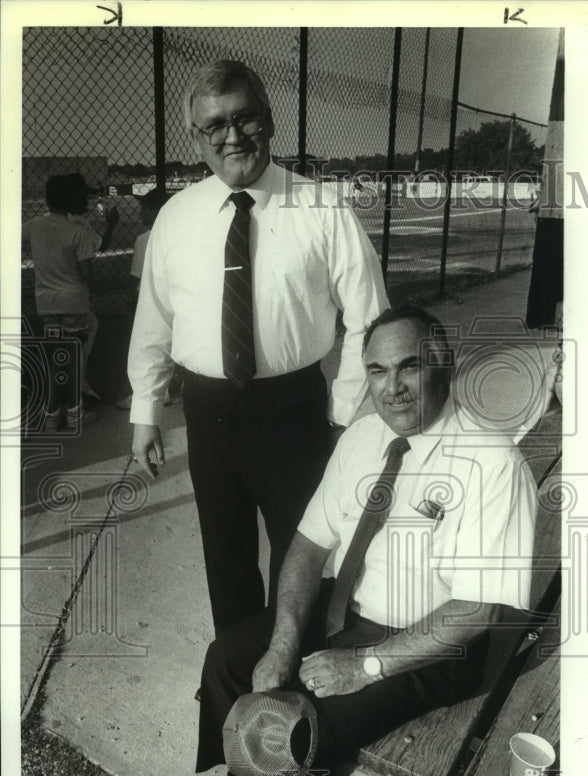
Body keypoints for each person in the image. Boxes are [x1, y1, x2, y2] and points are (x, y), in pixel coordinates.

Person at [169, 304, 539, 776]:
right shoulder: (364, 438)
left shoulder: (492, 463)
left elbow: (477, 611)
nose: (392, 387)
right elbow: (309, 545)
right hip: (345, 607)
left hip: (430, 644)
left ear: (442, 363)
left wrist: (364, 665)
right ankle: (242, 773)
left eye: (408, 367)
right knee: (231, 654)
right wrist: (285, 641)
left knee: (306, 725)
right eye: (376, 371)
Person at [127, 60, 389, 633]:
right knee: (225, 556)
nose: (232, 136)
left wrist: (343, 412)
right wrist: (146, 409)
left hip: (294, 412)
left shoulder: (322, 209)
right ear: (196, 138)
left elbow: (370, 319)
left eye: (243, 118)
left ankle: (291, 665)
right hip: (207, 411)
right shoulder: (176, 217)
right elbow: (154, 319)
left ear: (268, 120)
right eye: (214, 125)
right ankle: (236, 668)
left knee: (303, 554)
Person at [22, 172, 118, 430]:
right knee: (74, 361)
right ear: (71, 200)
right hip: (73, 304)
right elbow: (87, 275)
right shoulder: (78, 232)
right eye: (81, 197)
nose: (85, 201)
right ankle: (75, 413)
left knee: (56, 361)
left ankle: (52, 415)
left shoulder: (35, 225)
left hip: (47, 305)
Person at [115, 187, 171, 411]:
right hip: (172, 296)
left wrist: (129, 299)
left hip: (147, 299)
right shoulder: (178, 233)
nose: (140, 213)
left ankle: (143, 393)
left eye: (145, 208)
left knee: (147, 347)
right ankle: (167, 390)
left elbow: (136, 275)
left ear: (156, 211)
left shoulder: (144, 238)